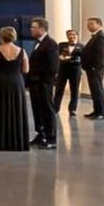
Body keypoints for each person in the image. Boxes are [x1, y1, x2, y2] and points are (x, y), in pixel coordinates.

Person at [0, 26, 30, 152]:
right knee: (17, 111)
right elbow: (26, 70)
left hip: (0, 82)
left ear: (1, 36)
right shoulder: (22, 51)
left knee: (0, 111)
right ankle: (18, 142)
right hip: (17, 82)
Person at [27, 18, 59, 149]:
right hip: (35, 83)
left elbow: (53, 66)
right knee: (37, 110)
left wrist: (45, 83)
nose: (31, 30)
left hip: (43, 84)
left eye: (33, 27)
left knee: (47, 110)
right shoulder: (37, 43)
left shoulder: (50, 44)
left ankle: (51, 138)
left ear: (42, 29)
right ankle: (41, 134)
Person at [82, 17, 104, 120]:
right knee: (94, 91)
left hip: (95, 68)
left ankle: (101, 113)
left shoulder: (101, 36)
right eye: (88, 24)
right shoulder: (95, 36)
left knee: (98, 91)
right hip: (91, 68)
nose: (89, 26)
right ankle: (96, 111)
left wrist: (94, 67)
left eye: (91, 24)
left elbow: (100, 54)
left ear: (99, 24)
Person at [54, 29, 84, 116]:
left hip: (75, 70)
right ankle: (55, 108)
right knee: (59, 89)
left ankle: (72, 109)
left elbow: (83, 58)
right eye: (69, 35)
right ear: (67, 36)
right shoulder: (61, 44)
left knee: (74, 90)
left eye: (73, 35)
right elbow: (58, 55)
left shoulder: (81, 46)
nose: (71, 36)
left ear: (77, 36)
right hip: (63, 69)